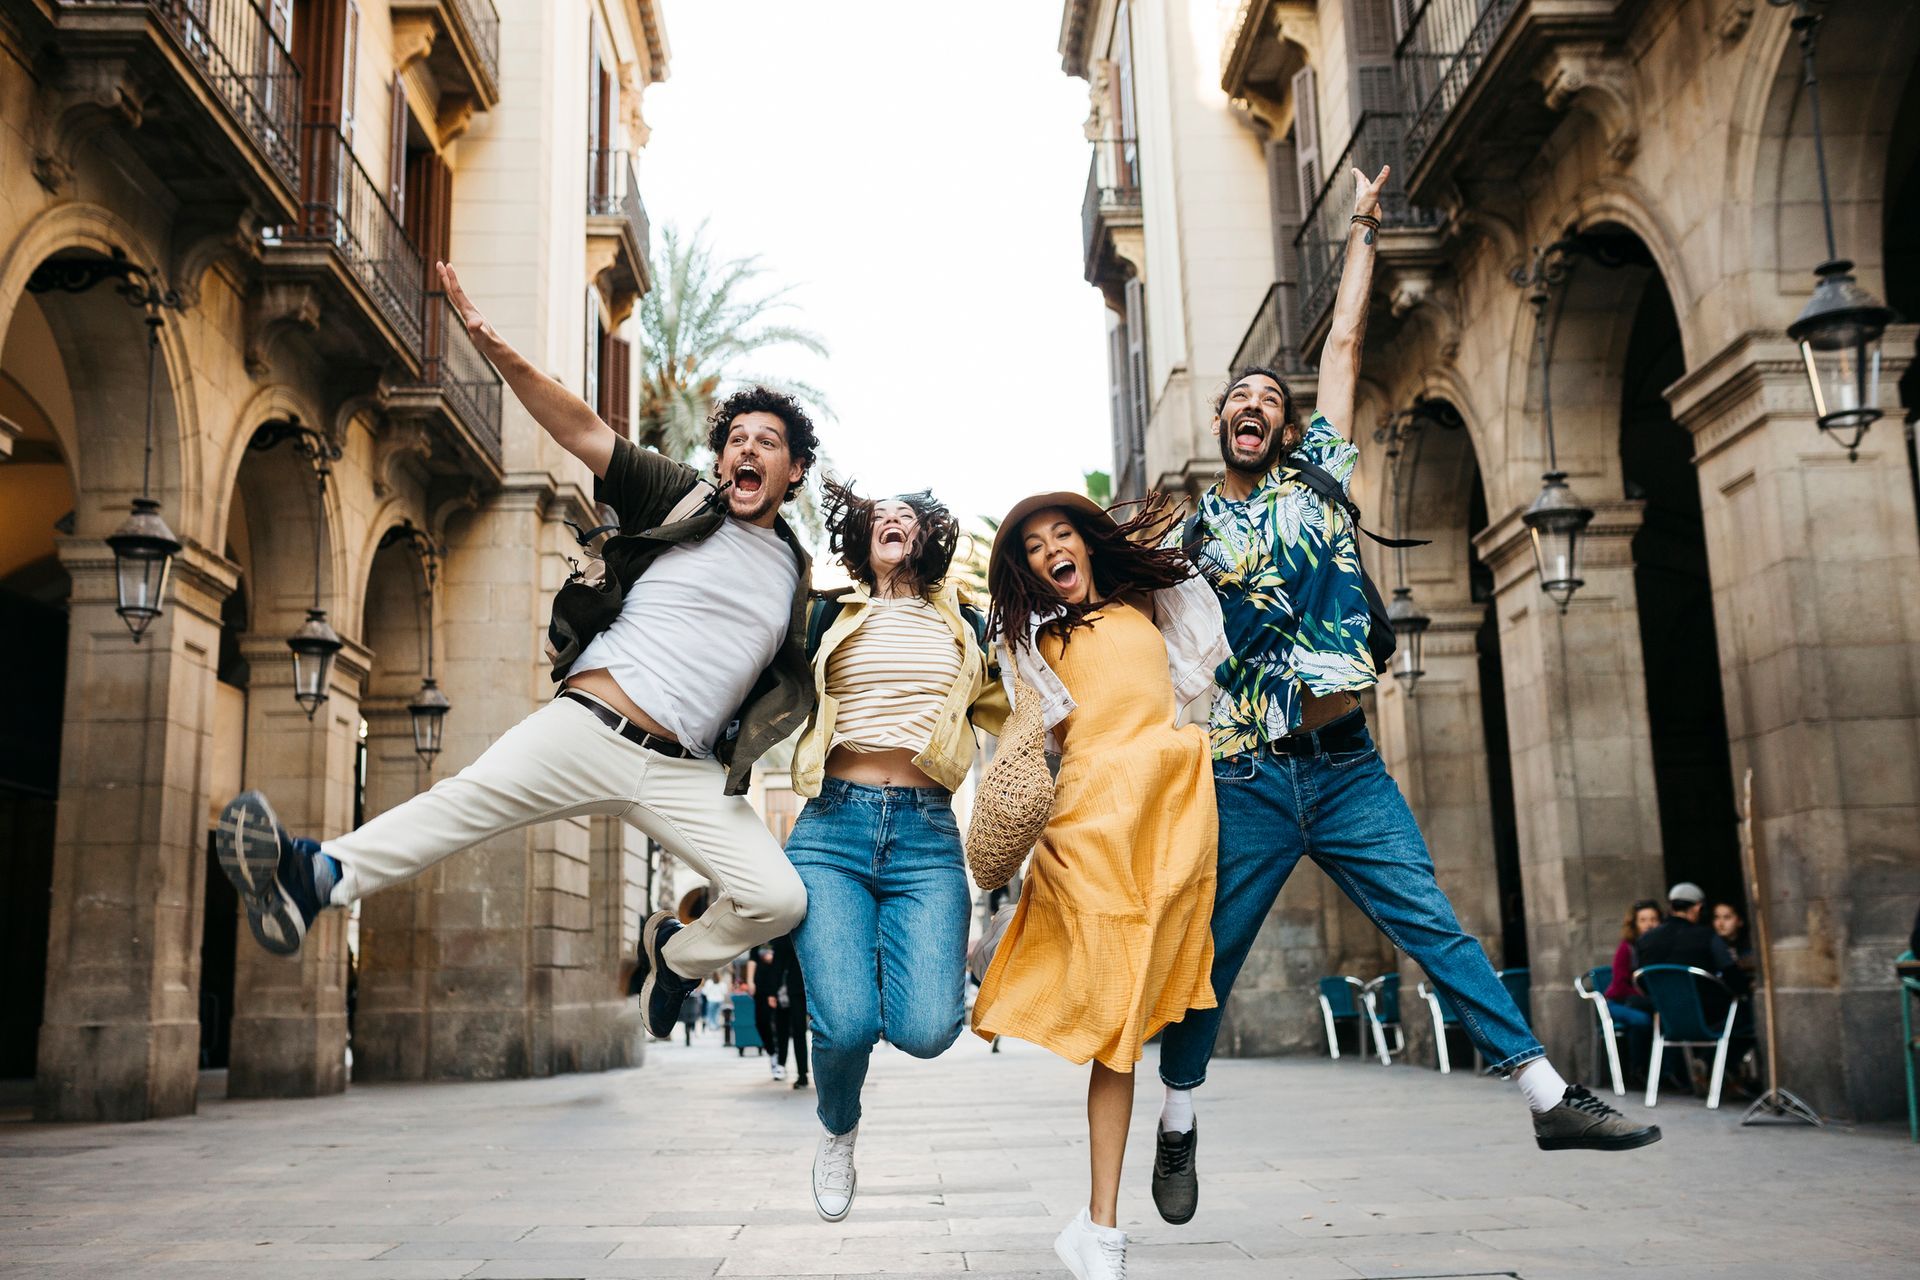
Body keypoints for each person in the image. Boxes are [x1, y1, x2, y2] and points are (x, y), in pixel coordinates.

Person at [1150, 164, 1660, 1229]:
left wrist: (1364, 234)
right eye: (1237, 400)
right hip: (1245, 775)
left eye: (1267, 401)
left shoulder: (1321, 475)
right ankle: (1180, 1115)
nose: (1254, 406)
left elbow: (1340, 345)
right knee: (1206, 962)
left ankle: (1548, 1096)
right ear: (1219, 423)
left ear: (1286, 427)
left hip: (1346, 770)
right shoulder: (1190, 539)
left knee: (1434, 922)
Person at [211, 261, 815, 1044]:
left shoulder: (797, 575)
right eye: (736, 437)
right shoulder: (684, 499)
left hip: (685, 771)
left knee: (779, 898)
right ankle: (313, 875)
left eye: (766, 442)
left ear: (791, 470)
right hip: (590, 725)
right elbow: (579, 429)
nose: (747, 448)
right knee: (464, 803)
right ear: (719, 456)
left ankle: (677, 958)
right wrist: (500, 352)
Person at [971, 489, 1226, 1280]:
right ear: (1029, 571)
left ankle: (1107, 1211)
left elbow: (1199, 656)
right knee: (1116, 1029)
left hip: (1170, 813)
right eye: (1035, 545)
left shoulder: (1149, 605)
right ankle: (1103, 1229)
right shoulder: (1033, 644)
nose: (1054, 548)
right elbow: (1026, 742)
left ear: (1085, 544)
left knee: (1150, 1009)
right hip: (1090, 825)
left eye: (1064, 534)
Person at [784, 480, 1007, 1222]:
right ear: (862, 539)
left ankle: (919, 981)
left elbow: (1026, 705)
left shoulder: (966, 625)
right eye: (880, 516)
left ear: (929, 539)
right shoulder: (827, 614)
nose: (892, 521)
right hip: (831, 829)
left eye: (906, 516)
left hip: (926, 834)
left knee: (927, 1031)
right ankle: (838, 1128)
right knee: (844, 1023)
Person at [1634, 883, 1752, 1021]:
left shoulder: (1645, 940)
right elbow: (1733, 977)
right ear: (1698, 907)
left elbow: (1641, 980)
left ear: (1671, 907)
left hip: (1667, 1016)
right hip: (1708, 1016)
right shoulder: (1708, 936)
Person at [1710, 901, 1755, 971]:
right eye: (1716, 917)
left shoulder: (1751, 941)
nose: (1720, 923)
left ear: (1740, 921)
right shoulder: (1715, 942)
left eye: (1727, 917)